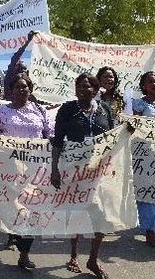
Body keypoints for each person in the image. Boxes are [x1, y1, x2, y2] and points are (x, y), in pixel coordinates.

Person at [51, 73, 114, 279]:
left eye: (86, 87)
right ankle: (74, 254)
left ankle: (93, 260)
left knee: (102, 215)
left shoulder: (104, 110)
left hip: (99, 171)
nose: (81, 90)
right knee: (77, 212)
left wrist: (127, 132)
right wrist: (55, 168)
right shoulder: (68, 110)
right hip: (75, 170)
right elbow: (58, 140)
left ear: (95, 91)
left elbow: (112, 138)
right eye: (78, 86)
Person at [0, 73, 53, 268]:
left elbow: (49, 135)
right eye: (18, 87)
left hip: (35, 168)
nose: (22, 90)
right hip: (10, 169)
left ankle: (24, 253)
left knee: (31, 209)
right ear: (11, 91)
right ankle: (12, 232)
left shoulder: (39, 110)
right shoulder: (2, 112)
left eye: (25, 87)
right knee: (13, 207)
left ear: (30, 90)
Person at [132, 71, 155, 246]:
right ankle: (149, 230)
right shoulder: (138, 105)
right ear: (144, 86)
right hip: (144, 157)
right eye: (151, 82)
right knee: (146, 193)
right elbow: (131, 127)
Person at [4, 31, 35, 101]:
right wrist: (28, 41)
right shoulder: (9, 79)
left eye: (25, 69)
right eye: (21, 69)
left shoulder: (27, 83)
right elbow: (16, 57)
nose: (23, 71)